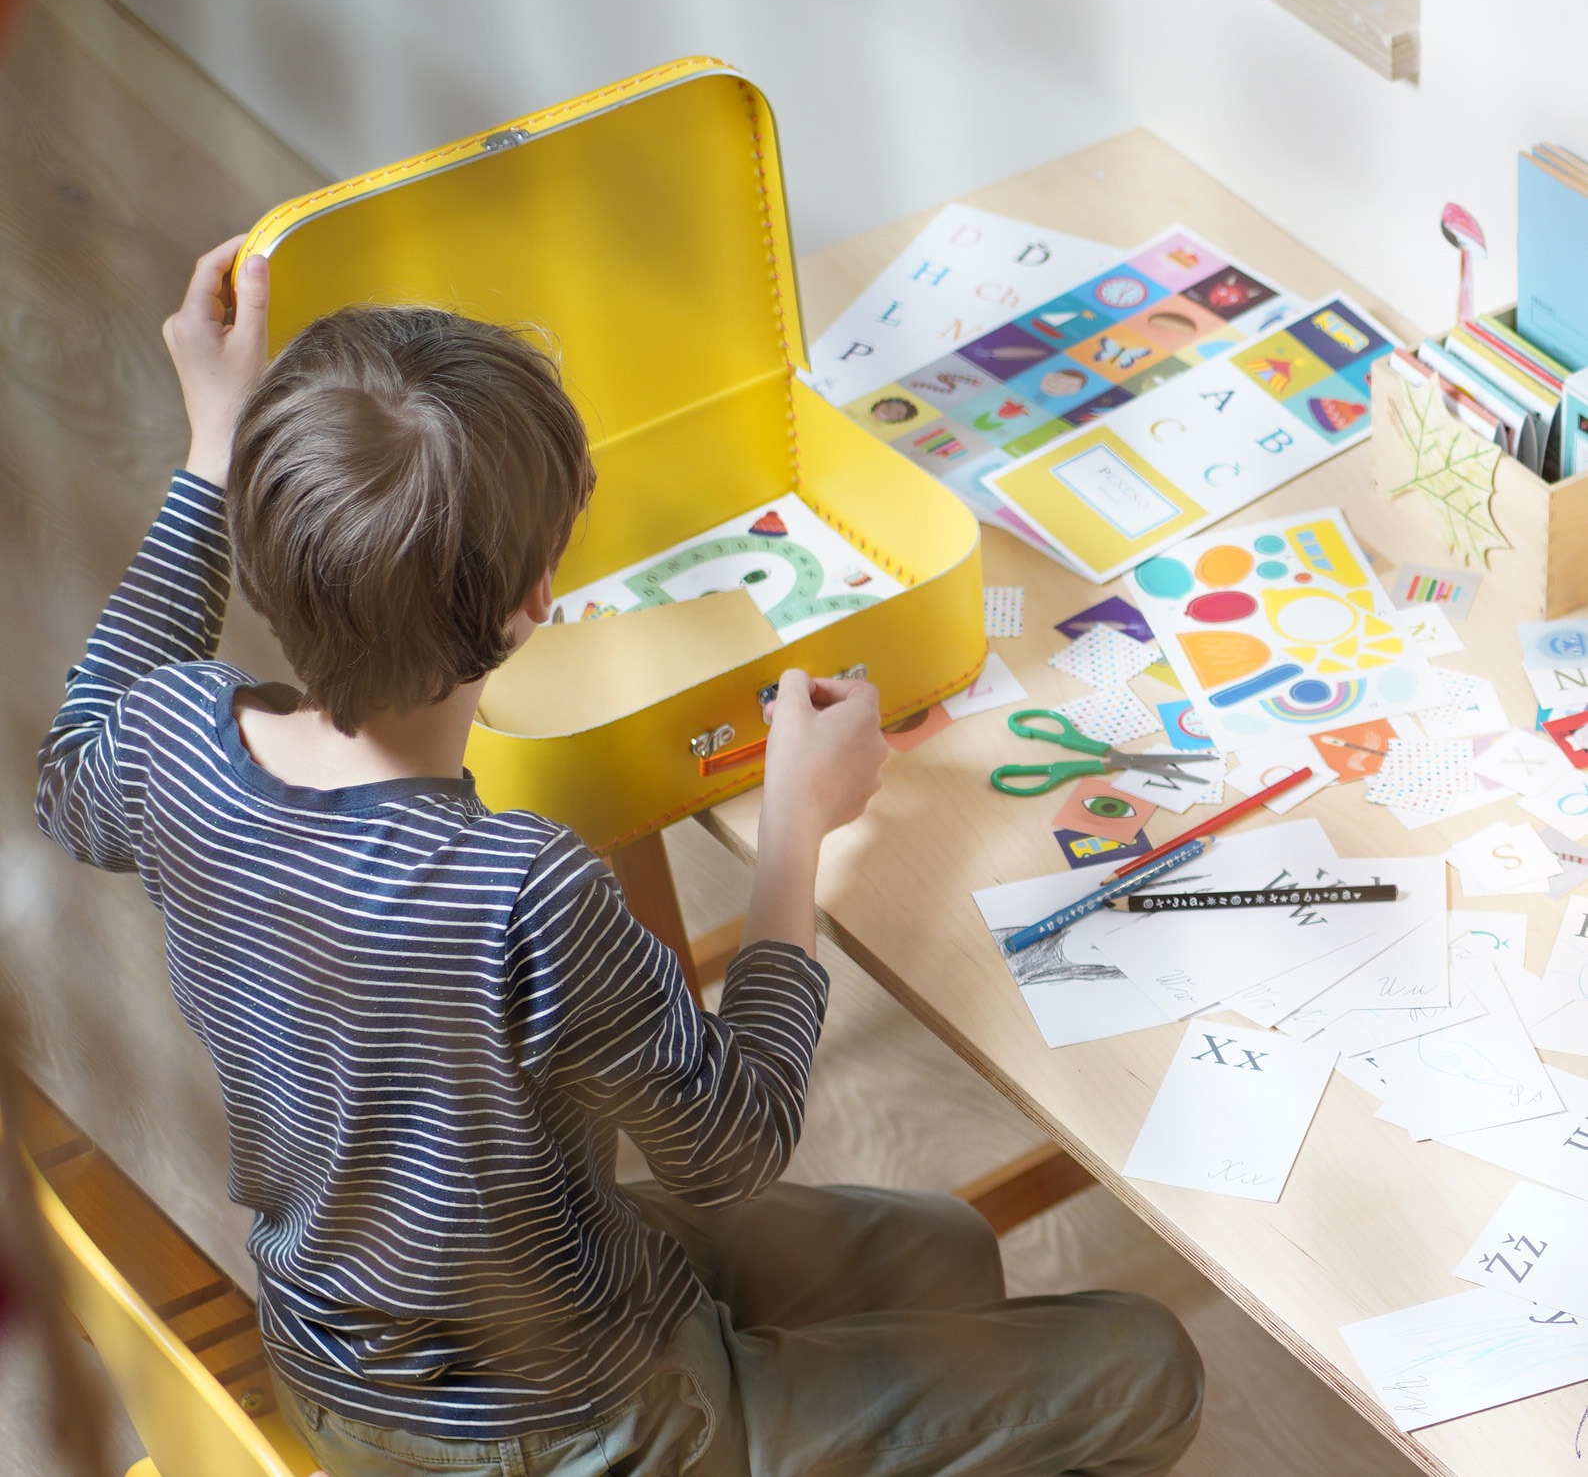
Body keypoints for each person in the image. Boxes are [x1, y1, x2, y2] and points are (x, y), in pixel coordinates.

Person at [37, 238, 1202, 1476]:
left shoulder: (171, 742)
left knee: (948, 1250)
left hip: (363, 1348)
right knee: (1149, 1362)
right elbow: (731, 1147)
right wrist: (796, 827)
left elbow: (68, 770)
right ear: (536, 599)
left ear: (257, 559)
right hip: (579, 1423)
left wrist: (214, 446)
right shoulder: (521, 890)